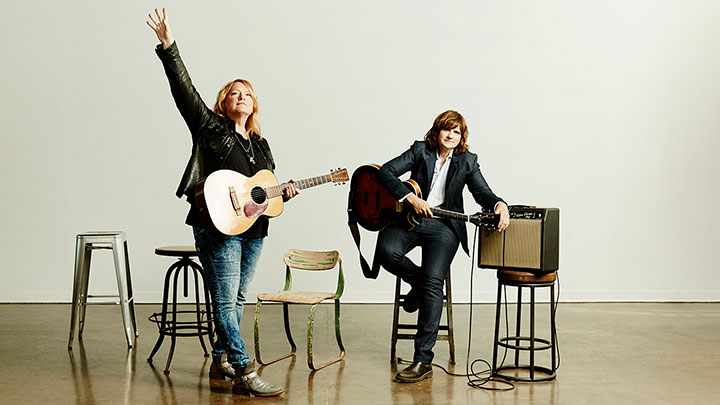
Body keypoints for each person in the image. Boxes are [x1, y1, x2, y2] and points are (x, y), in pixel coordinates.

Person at [147, 8, 297, 397]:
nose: (242, 97)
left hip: (255, 230)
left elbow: (263, 192)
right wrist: (169, 47)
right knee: (225, 301)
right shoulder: (209, 128)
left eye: (247, 93)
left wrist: (283, 193)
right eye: (235, 93)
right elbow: (184, 90)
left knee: (237, 298)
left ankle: (219, 361)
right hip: (217, 226)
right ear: (222, 103)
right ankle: (245, 370)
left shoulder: (261, 146)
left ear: (254, 104)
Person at [376, 110, 510, 383]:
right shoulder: (418, 151)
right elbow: (385, 172)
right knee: (387, 251)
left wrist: (499, 204)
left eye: (456, 132)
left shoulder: (467, 161)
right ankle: (419, 283)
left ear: (461, 137)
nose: (450, 135)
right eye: (446, 130)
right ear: (436, 132)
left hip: (444, 228)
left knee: (433, 283)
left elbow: (482, 193)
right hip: (410, 219)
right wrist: (409, 197)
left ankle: (423, 361)